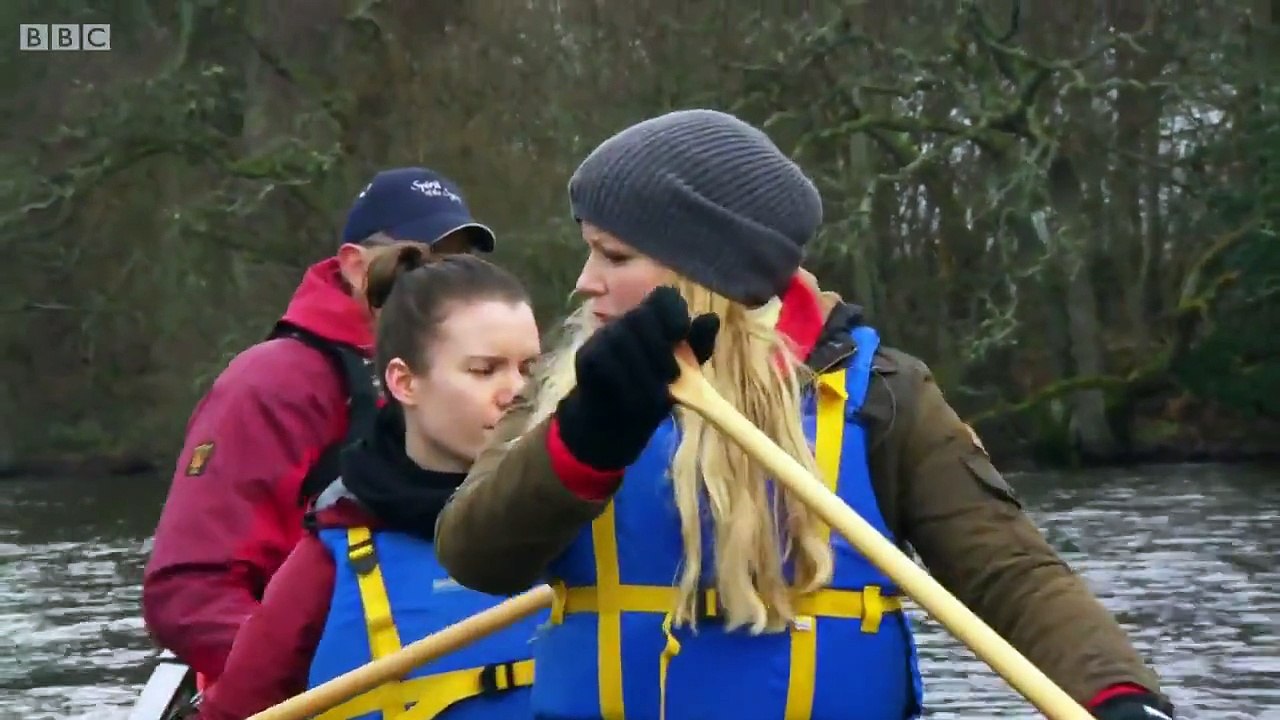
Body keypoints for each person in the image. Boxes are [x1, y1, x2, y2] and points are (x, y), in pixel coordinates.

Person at [433, 109, 1175, 720]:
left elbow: (1013, 573)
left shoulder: (884, 394)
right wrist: (587, 438)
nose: (584, 283)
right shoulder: (569, 393)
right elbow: (475, 557)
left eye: (614, 256)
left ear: (706, 270)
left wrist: (1118, 697)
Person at [142, 166, 498, 688]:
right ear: (355, 265)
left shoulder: (492, 379)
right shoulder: (271, 384)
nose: (444, 285)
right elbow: (188, 593)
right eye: (419, 261)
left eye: (460, 265)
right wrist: (327, 671)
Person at [194, 246, 545, 720]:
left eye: (529, 369)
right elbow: (237, 708)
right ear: (404, 382)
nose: (516, 394)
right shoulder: (328, 555)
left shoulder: (577, 516)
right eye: (484, 370)